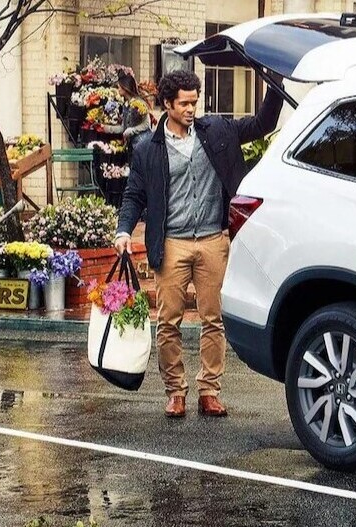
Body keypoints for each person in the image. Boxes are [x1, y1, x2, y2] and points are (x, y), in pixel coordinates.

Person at [115, 70, 282, 418]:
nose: (191, 109)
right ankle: (175, 390)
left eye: (195, 102)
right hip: (172, 242)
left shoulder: (217, 130)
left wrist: (275, 84)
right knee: (169, 322)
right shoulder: (148, 148)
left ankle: (209, 390)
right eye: (184, 103)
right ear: (167, 104)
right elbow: (134, 195)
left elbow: (262, 124)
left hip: (212, 240)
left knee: (213, 319)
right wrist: (123, 231)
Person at [103, 72, 152, 143]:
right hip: (133, 144)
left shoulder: (139, 103)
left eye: (119, 87)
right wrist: (106, 128)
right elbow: (124, 128)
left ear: (125, 87)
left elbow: (147, 124)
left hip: (143, 143)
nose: (118, 89)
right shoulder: (126, 105)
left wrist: (132, 130)